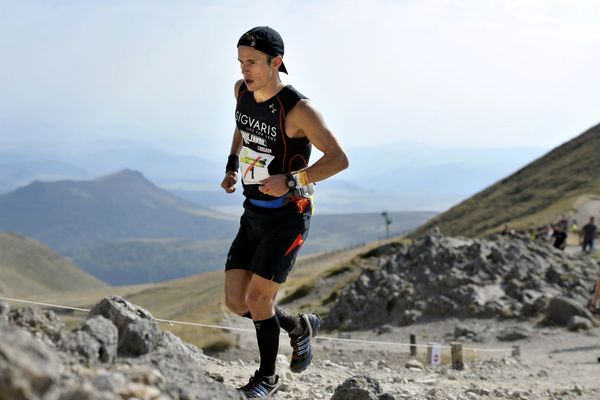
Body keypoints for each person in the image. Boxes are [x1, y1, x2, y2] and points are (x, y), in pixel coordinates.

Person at [220, 26, 348, 398]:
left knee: (259, 300)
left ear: (276, 62)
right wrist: (231, 166)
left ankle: (267, 379)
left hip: (289, 215)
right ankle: (297, 327)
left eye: (254, 62)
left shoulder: (299, 109)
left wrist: (292, 180)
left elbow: (339, 159)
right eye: (241, 61)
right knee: (235, 301)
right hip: (253, 211)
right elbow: (241, 126)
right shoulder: (241, 91)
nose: (246, 70)